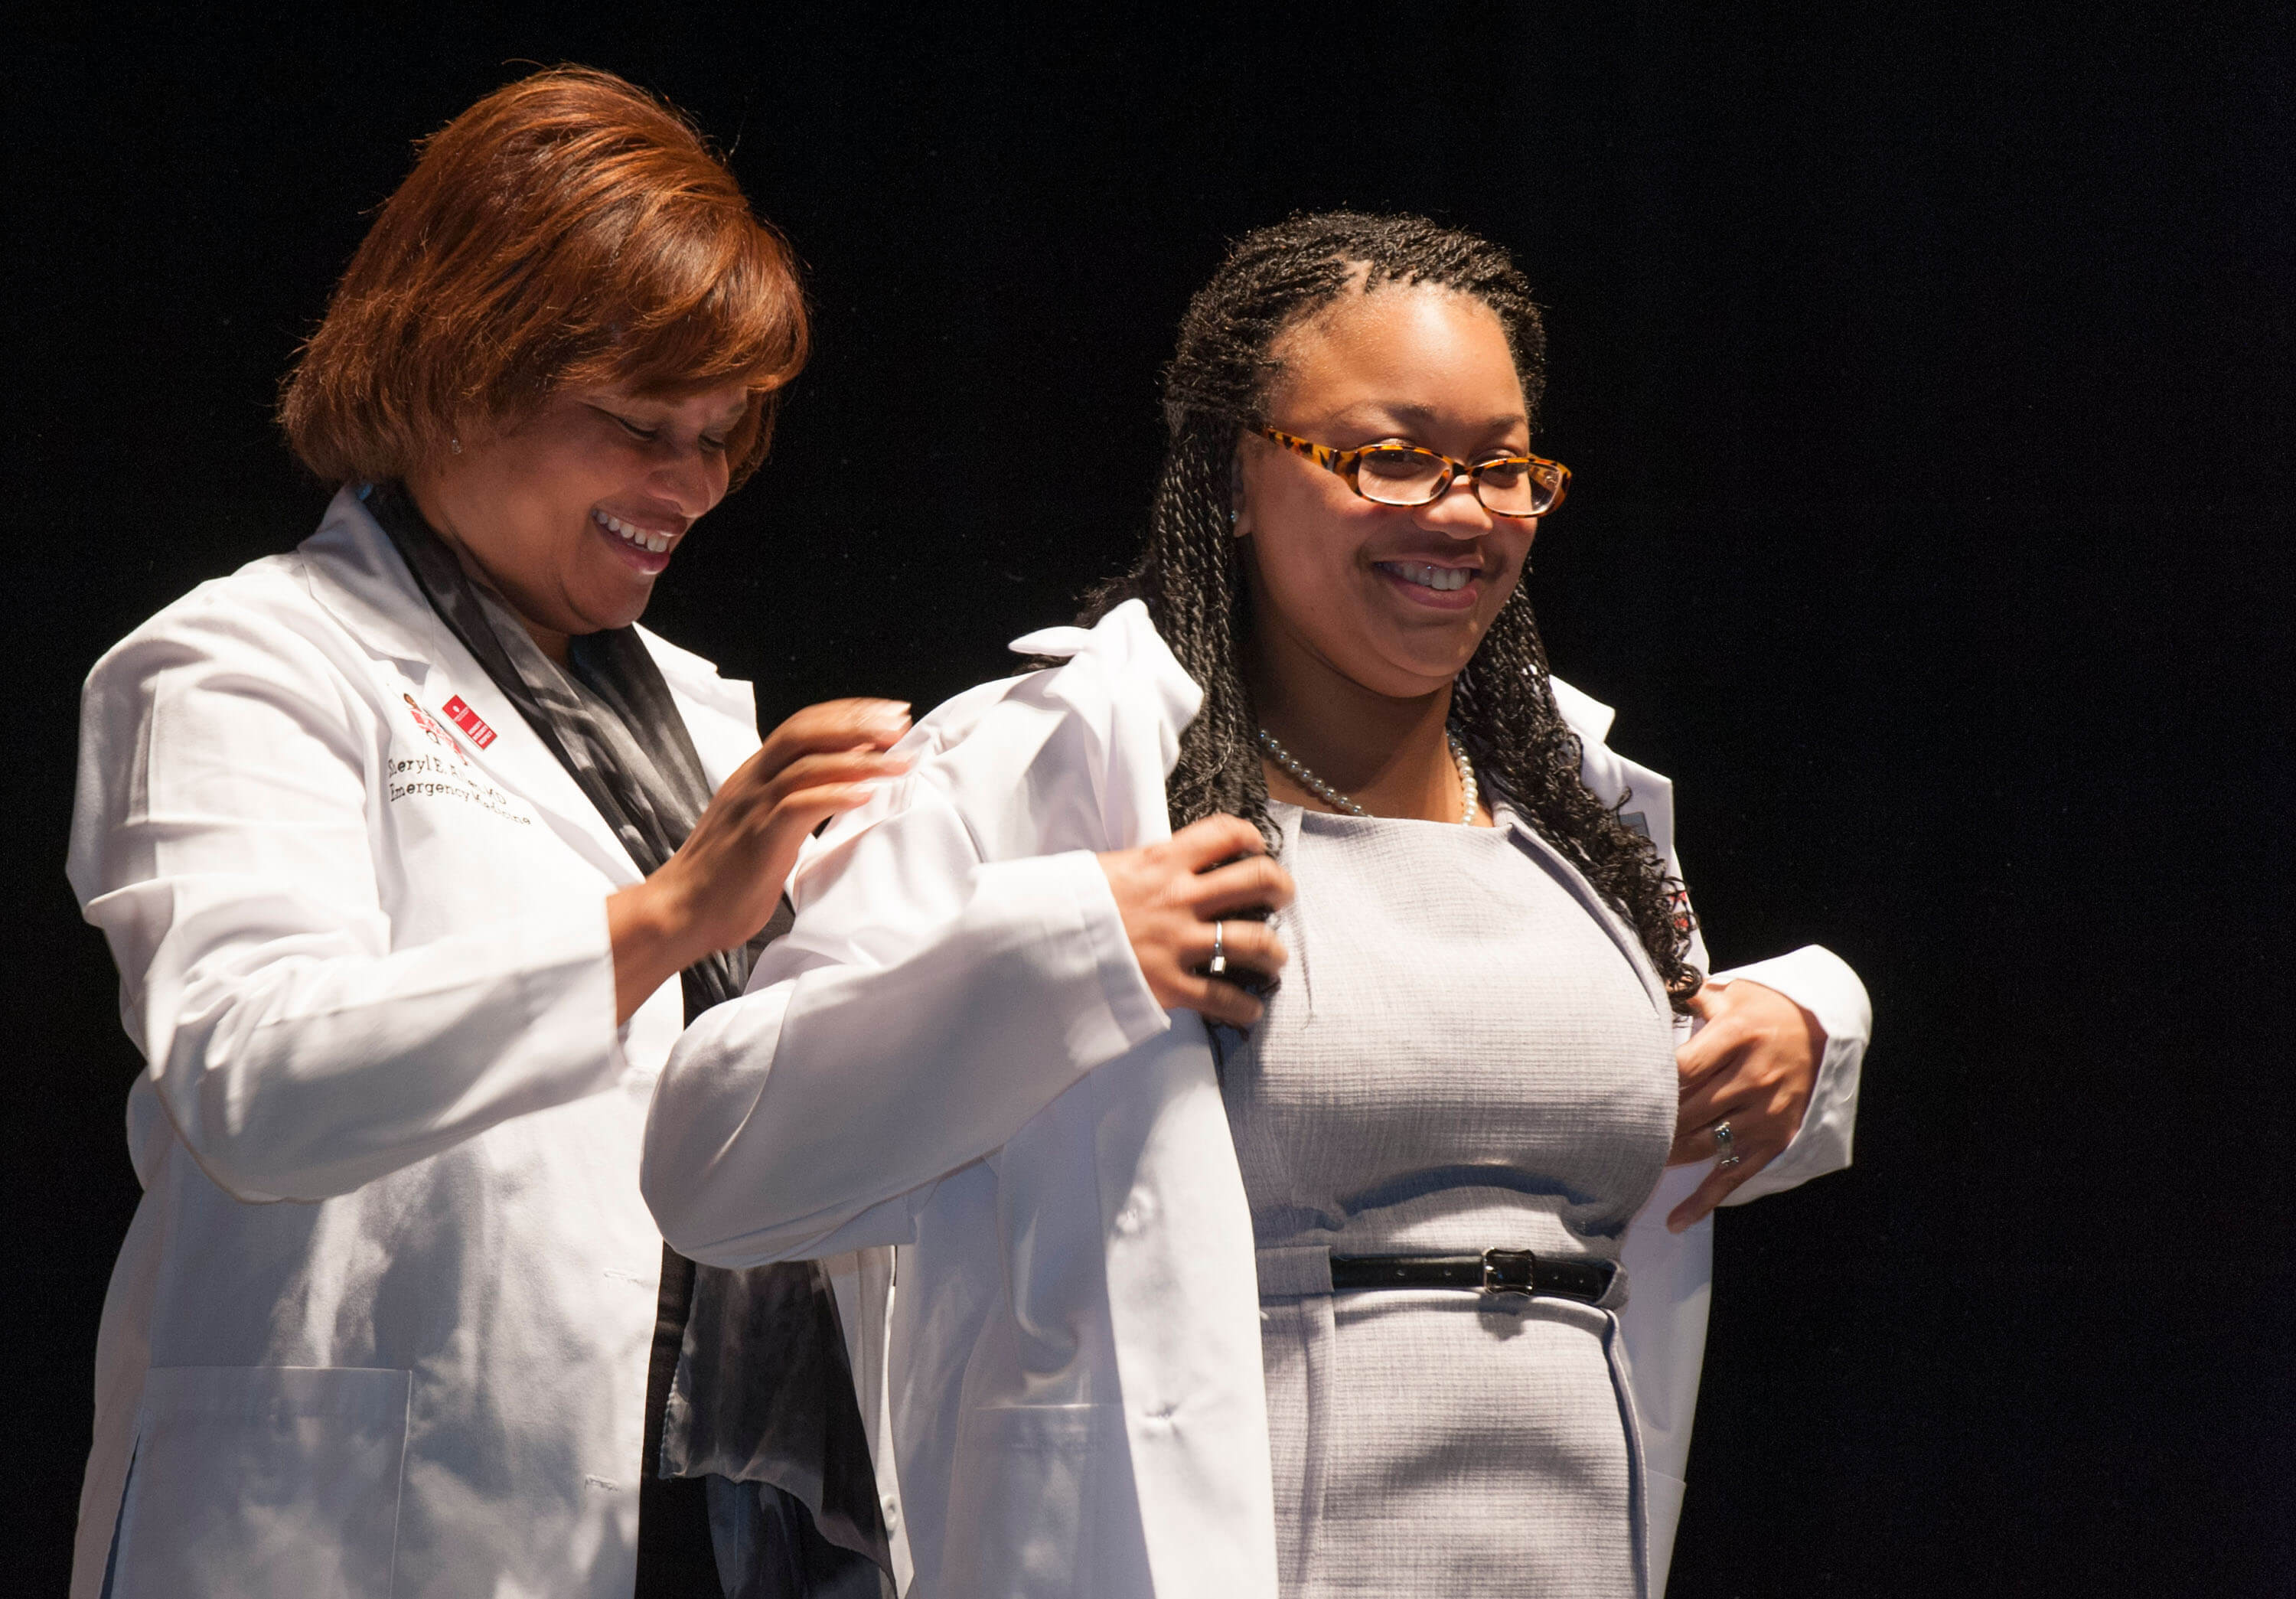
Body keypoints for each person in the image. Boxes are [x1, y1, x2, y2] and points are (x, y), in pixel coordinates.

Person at [643, 213, 1870, 1597]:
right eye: (1393, 456)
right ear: (1235, 474)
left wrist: (1812, 1014)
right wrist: (1073, 940)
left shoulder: (1577, 815)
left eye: (1505, 468)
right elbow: (715, 1163)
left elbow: (1586, 1096)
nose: (1463, 513)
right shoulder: (1045, 775)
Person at [66, 67, 906, 1599]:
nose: (693, 486)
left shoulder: (711, 728)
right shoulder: (243, 664)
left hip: (711, 1525)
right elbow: (255, 1079)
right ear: (462, 373)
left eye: (723, 437)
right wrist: (665, 920)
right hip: (360, 1523)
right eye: (642, 425)